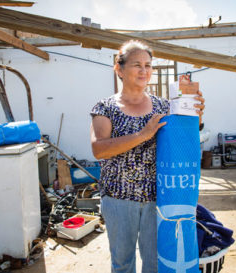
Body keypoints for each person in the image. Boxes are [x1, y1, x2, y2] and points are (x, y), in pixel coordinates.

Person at [90, 40, 205, 273]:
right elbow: (99, 149)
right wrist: (143, 134)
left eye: (148, 65)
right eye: (137, 65)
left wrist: (196, 114)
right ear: (119, 69)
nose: (144, 71)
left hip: (157, 198)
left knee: (154, 263)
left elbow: (183, 137)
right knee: (122, 263)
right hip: (118, 198)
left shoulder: (163, 106)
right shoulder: (105, 107)